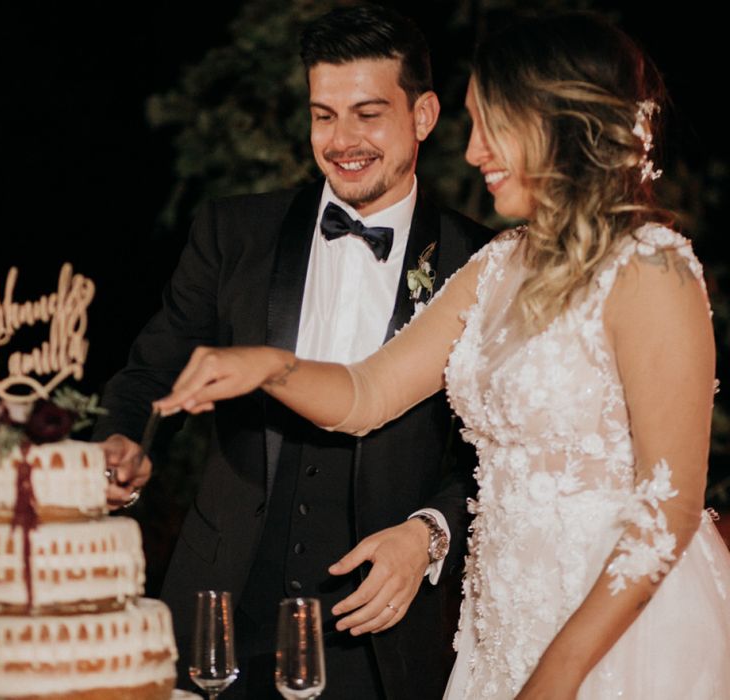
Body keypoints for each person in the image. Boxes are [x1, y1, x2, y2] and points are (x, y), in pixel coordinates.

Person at [154, 12, 730, 700]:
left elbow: (670, 508)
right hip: (502, 626)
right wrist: (268, 366)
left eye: (492, 127)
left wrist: (559, 674)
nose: (473, 152)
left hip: (618, 627)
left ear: (557, 123)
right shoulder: (497, 266)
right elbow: (368, 395)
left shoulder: (652, 270)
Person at [94, 5, 491, 699]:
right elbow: (150, 371)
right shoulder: (234, 232)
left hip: (381, 632)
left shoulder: (478, 261)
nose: (342, 141)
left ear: (423, 115)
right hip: (222, 607)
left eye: (368, 114)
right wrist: (125, 441)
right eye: (323, 115)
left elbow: (496, 457)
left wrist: (429, 534)